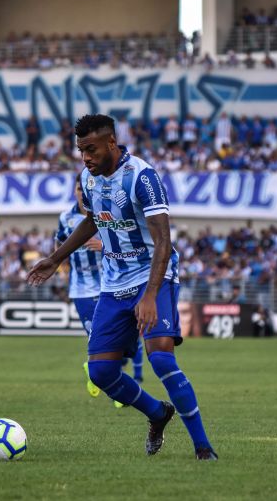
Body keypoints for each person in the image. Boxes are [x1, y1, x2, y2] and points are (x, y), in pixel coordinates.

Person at [28, 114, 217, 460]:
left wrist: (149, 296)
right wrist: (56, 258)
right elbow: (92, 221)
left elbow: (163, 242)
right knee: (101, 372)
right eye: (81, 150)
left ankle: (203, 448)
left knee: (161, 360)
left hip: (152, 276)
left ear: (112, 143)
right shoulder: (88, 178)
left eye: (91, 149)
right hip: (114, 283)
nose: (85, 157)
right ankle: (158, 413)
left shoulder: (142, 178)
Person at [56, 175, 144, 406]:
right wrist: (61, 265)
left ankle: (114, 380)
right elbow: (59, 242)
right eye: (76, 189)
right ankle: (116, 390)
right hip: (81, 289)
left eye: (81, 188)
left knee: (122, 341)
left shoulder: (106, 212)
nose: (79, 192)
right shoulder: (66, 218)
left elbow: (124, 241)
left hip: (110, 285)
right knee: (98, 338)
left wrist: (103, 245)